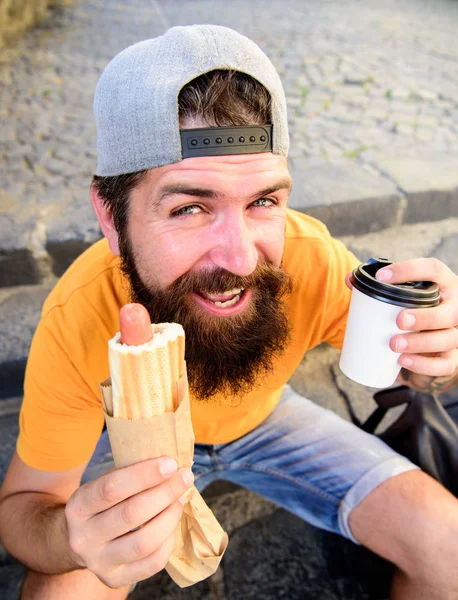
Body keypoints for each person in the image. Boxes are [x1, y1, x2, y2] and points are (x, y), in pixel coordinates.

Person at [0, 24, 457, 600]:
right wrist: (72, 537)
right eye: (190, 207)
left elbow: (410, 363)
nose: (241, 258)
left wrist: (435, 358)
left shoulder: (310, 261)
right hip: (123, 443)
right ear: (111, 216)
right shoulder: (79, 314)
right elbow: (22, 511)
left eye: (263, 201)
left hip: (264, 424)